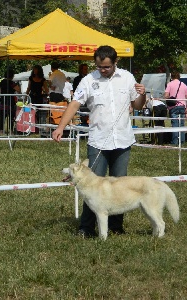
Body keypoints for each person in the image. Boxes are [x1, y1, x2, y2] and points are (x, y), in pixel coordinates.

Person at [52, 45, 146, 238]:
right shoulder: (88, 80)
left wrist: (143, 93)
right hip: (98, 142)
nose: (102, 70)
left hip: (122, 141)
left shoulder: (127, 77)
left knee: (119, 186)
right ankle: (86, 228)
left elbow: (137, 104)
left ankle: (115, 227)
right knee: (90, 186)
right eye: (99, 67)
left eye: (106, 67)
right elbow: (75, 104)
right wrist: (61, 127)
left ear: (115, 63)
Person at [164, 71, 187, 145]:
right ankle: (182, 141)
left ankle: (175, 142)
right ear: (179, 76)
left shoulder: (169, 84)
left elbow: (166, 95)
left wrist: (168, 97)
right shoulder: (184, 85)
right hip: (182, 106)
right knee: (181, 124)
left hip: (173, 106)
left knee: (175, 124)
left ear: (171, 77)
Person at [0, 69, 21, 134]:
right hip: (10, 102)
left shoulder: (1, 82)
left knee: (2, 118)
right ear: (12, 75)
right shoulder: (12, 83)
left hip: (3, 101)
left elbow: (0, 91)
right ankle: (11, 131)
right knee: (11, 117)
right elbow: (18, 90)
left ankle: (1, 131)